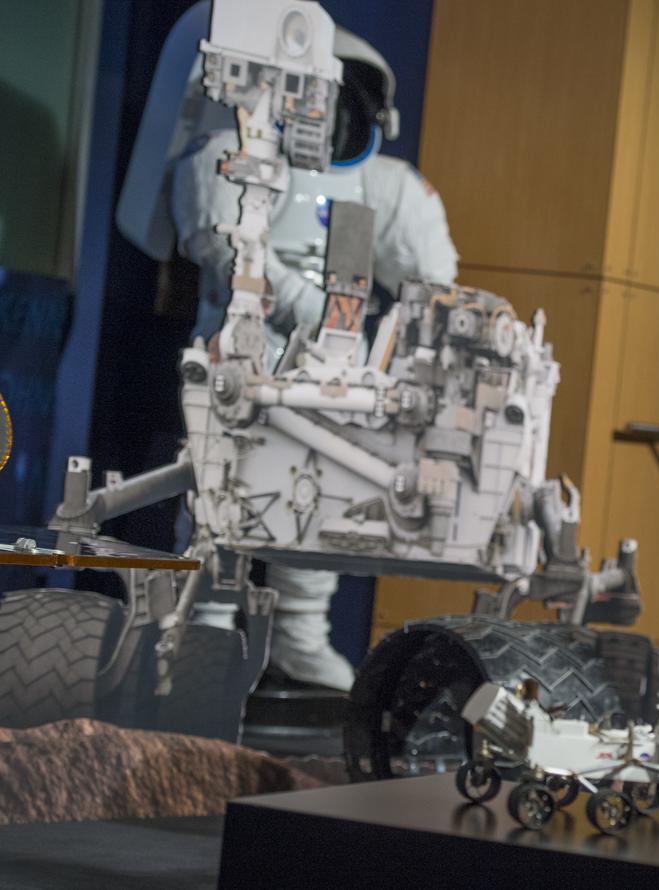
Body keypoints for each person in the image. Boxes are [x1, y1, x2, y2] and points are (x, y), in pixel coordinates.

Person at [117, 3, 459, 691]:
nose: (320, 118)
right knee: (223, 500)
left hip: (335, 371)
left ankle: (300, 633)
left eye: (336, 102)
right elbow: (223, 248)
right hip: (243, 359)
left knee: (326, 506)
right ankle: (203, 630)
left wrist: (408, 347)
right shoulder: (228, 157)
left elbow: (435, 282)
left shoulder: (379, 187)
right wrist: (305, 308)